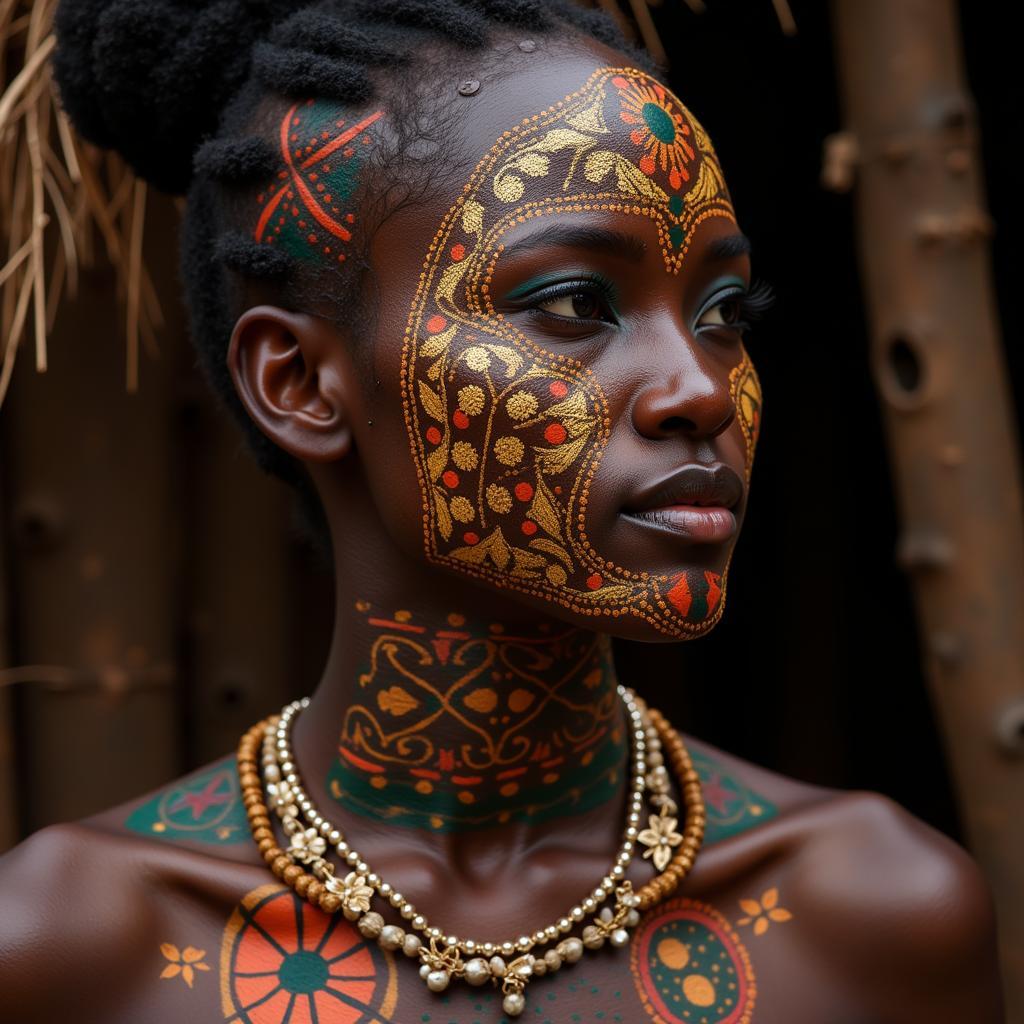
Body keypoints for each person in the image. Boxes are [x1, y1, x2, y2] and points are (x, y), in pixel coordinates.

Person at [0, 1, 1005, 1022]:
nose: (698, 389)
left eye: (721, 314)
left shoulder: (868, 918)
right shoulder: (81, 950)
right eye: (573, 304)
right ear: (300, 380)